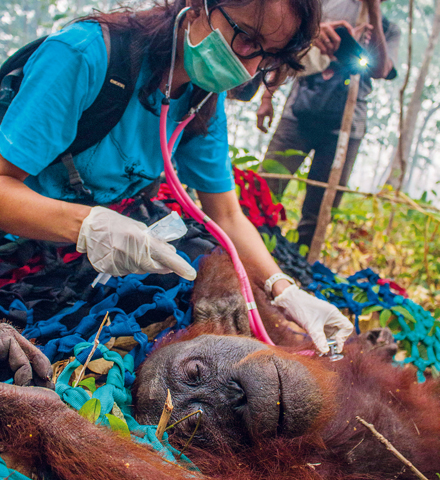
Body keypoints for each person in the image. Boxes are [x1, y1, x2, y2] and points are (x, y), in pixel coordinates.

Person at [0, 0, 353, 354]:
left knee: (200, 263)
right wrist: (88, 226)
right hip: (21, 242)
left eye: (268, 57)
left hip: (89, 254)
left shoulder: (202, 99)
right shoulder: (84, 55)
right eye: (246, 38)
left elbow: (227, 215)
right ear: (196, 6)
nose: (248, 67)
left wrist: (283, 290)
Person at [257, 0, 401, 248]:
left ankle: (302, 263)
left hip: (346, 124)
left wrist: (374, 13)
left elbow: (381, 69)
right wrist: (267, 96)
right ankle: (249, 246)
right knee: (267, 187)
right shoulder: (326, 5)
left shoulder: (389, 29)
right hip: (299, 112)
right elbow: (288, 46)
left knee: (321, 206)